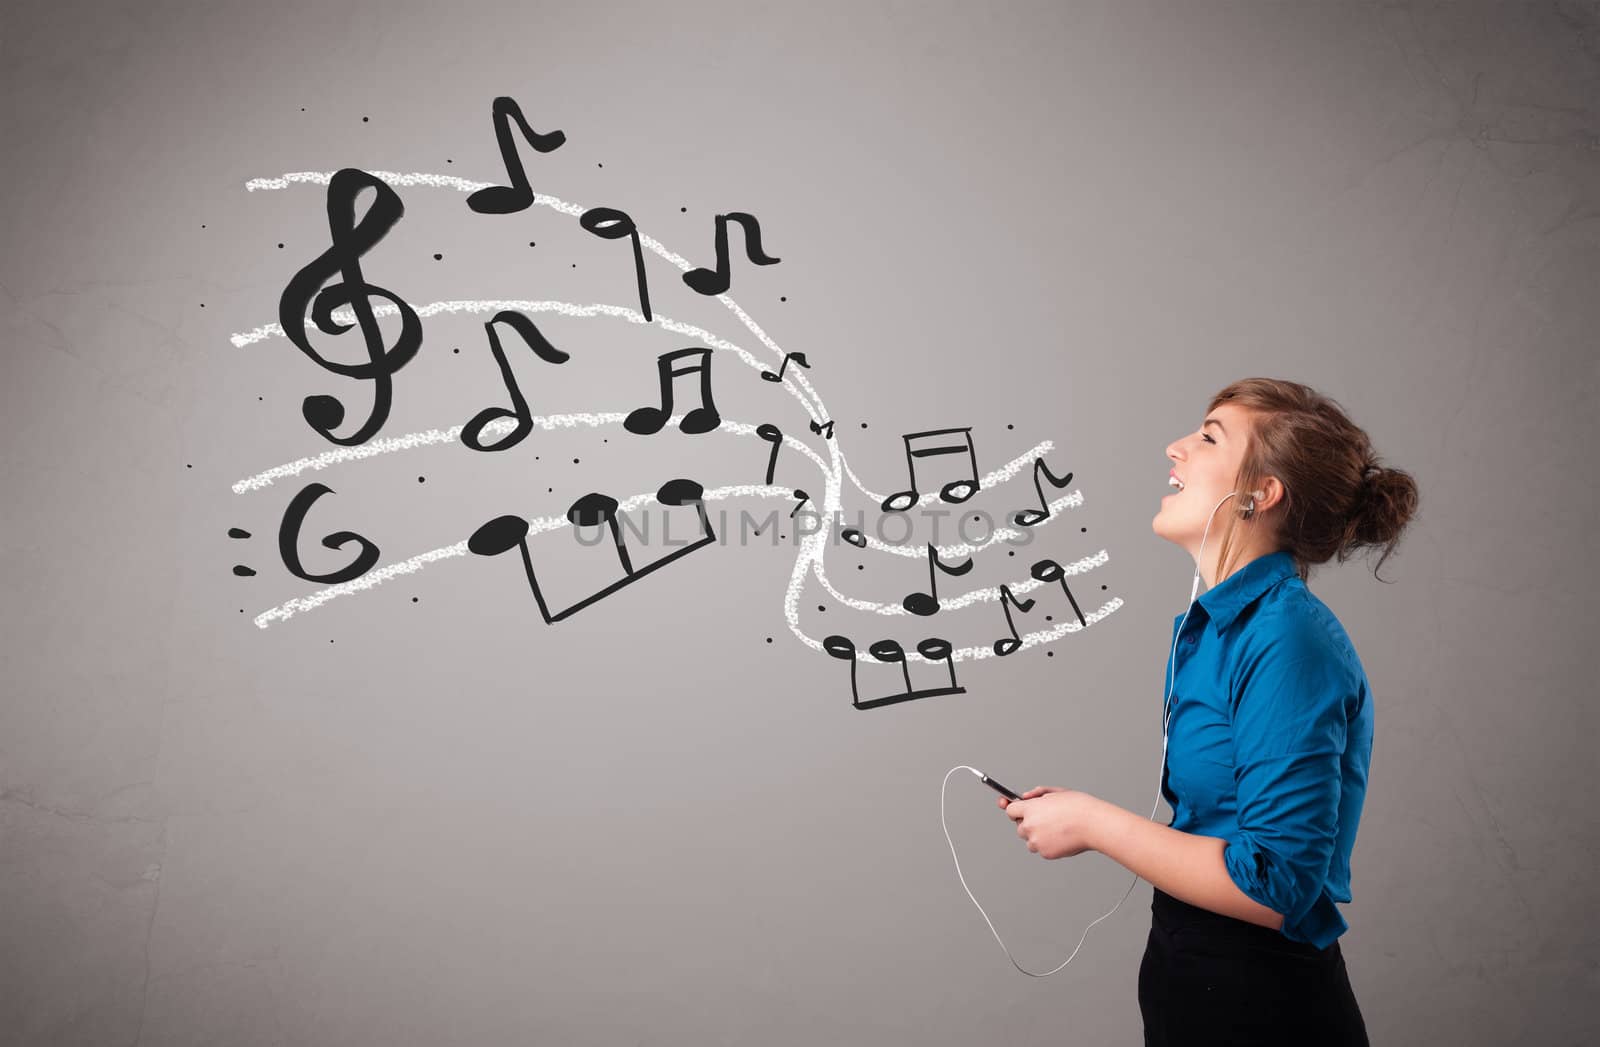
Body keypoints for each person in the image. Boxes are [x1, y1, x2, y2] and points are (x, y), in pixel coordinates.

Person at [997, 378, 1418, 1046]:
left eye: (1209, 436)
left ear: (1261, 492)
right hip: (1195, 984)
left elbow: (1273, 883)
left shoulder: (1286, 639)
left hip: (1262, 1007)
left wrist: (1092, 821)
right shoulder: (1223, 627)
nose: (1176, 448)